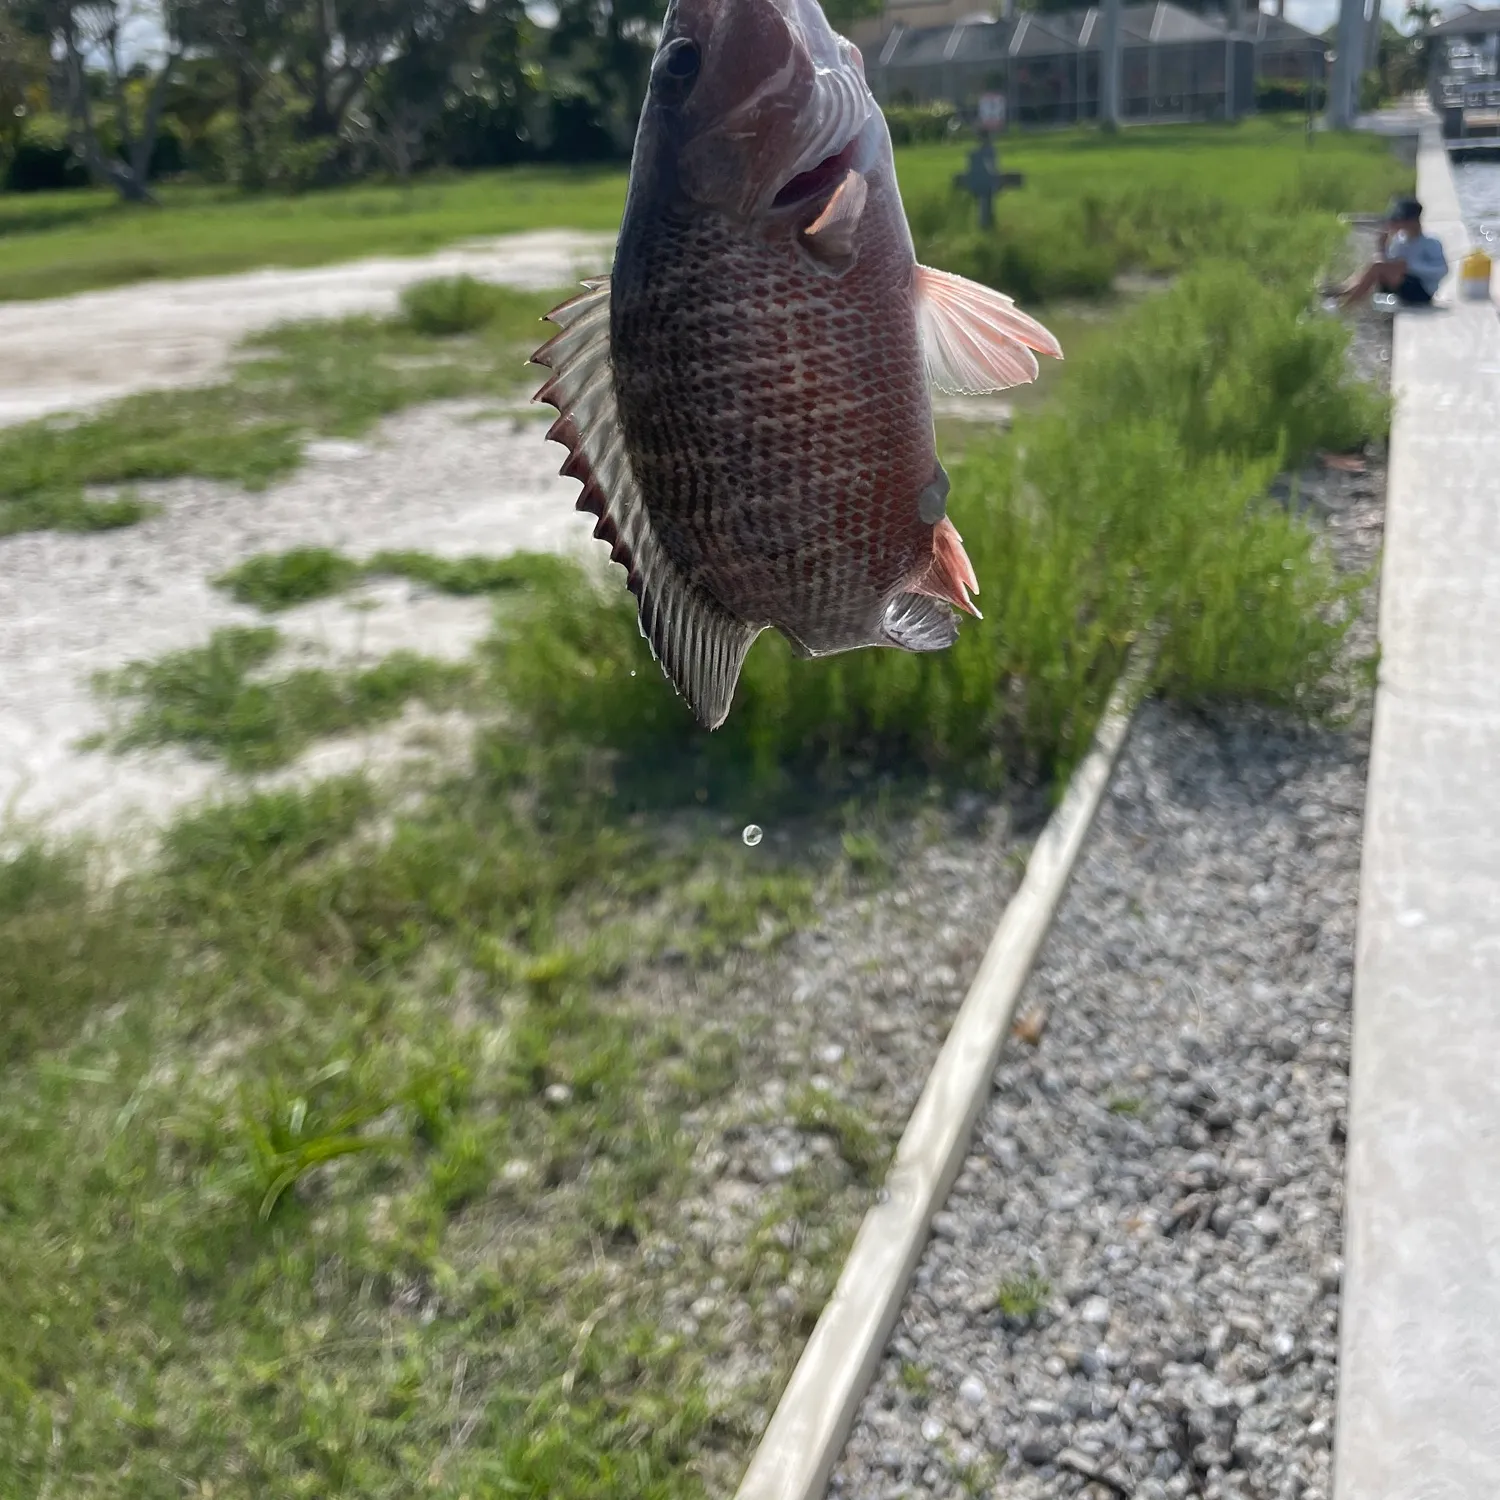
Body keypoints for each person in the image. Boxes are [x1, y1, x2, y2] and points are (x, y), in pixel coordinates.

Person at [1327, 197, 1449, 310]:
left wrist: (1410, 266)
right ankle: (1343, 292)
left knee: (1378, 266)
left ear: (1411, 221)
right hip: (1400, 284)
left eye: (1398, 220)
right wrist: (1382, 247)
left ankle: (1345, 304)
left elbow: (1442, 270)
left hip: (1421, 291)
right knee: (1376, 263)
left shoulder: (1431, 243)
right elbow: (1387, 263)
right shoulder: (1399, 241)